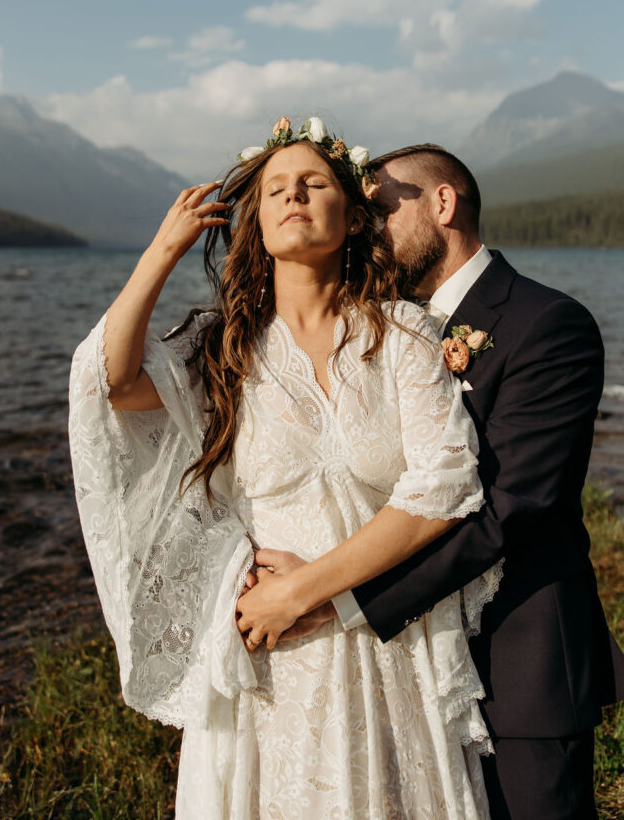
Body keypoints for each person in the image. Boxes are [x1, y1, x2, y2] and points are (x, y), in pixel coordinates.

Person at [69, 119, 501, 819]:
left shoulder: (400, 334)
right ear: (257, 221)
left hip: (381, 637)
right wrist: (162, 251)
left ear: (354, 216)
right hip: (270, 657)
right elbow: (110, 386)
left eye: (313, 183)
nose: (292, 195)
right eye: (274, 189)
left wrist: (304, 593)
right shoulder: (223, 350)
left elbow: (442, 488)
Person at [247, 143, 624, 820]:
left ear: (442, 204)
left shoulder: (546, 324)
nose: (364, 227)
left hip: (513, 662)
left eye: (380, 210)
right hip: (403, 671)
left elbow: (509, 509)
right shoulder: (380, 330)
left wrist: (332, 596)